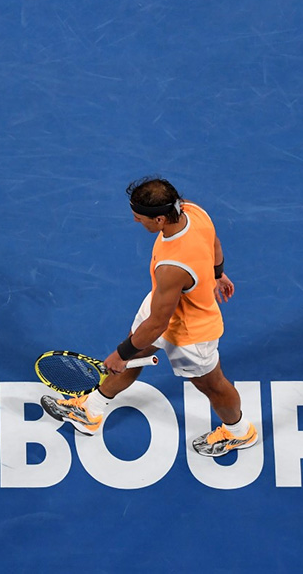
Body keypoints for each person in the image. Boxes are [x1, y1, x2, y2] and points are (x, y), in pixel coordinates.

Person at [41, 177, 257, 457]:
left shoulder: (173, 267)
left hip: (192, 330)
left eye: (138, 217)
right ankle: (91, 411)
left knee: (213, 385)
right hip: (164, 303)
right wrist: (217, 274)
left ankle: (240, 433)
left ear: (159, 220)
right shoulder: (193, 211)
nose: (135, 222)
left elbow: (158, 324)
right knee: (134, 349)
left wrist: (119, 354)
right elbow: (214, 243)